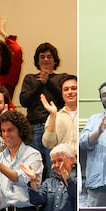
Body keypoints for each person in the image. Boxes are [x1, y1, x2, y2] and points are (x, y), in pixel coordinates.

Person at [19, 42, 68, 179]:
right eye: (42, 57)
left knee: (54, 165)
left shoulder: (62, 78)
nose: (46, 60)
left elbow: (64, 100)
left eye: (49, 56)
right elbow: (24, 101)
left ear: (55, 60)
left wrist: (49, 83)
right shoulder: (30, 78)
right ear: (37, 60)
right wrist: (40, 83)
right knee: (34, 165)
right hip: (34, 127)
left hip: (54, 127)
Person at [20, 143, 77, 211]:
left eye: (60, 161)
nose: (56, 165)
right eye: (53, 162)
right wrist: (33, 180)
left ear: (71, 160)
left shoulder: (77, 179)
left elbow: (74, 193)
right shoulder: (48, 182)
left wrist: (66, 176)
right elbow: (37, 200)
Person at [41, 75, 77, 152]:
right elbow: (48, 144)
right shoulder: (55, 116)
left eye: (74, 88)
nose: (70, 92)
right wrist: (53, 116)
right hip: (62, 162)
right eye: (66, 89)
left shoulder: (85, 115)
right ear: (62, 94)